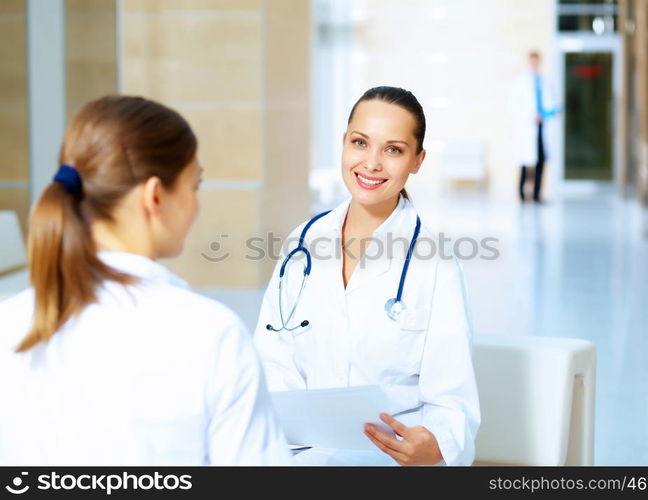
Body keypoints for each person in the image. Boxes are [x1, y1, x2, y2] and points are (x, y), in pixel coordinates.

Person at [0, 95, 290, 465]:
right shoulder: (209, 334)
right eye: (193, 186)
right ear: (155, 195)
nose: (196, 205)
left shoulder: (9, 325)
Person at [253, 86, 480, 466]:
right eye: (360, 143)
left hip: (389, 457)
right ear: (344, 143)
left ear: (417, 160)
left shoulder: (436, 263)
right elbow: (273, 357)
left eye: (393, 149)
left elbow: (450, 400)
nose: (371, 163)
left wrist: (435, 445)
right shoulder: (302, 243)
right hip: (298, 454)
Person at [513, 50, 558, 203]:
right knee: (525, 163)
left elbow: (550, 103)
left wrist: (549, 113)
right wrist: (530, 116)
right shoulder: (521, 82)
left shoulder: (544, 81)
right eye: (532, 61)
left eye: (537, 61)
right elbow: (515, 106)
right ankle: (521, 194)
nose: (534, 64)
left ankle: (537, 195)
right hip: (527, 127)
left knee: (540, 161)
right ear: (529, 61)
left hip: (541, 127)